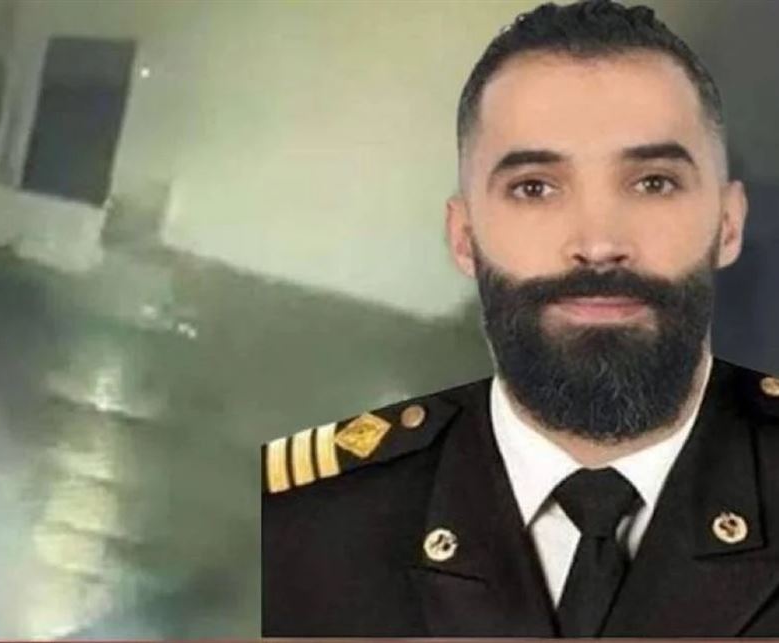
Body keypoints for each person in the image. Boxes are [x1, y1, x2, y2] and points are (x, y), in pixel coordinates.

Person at [261, 0, 779, 636]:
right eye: (535, 187)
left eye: (653, 183)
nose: (598, 244)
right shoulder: (297, 524)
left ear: (728, 224)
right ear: (463, 237)